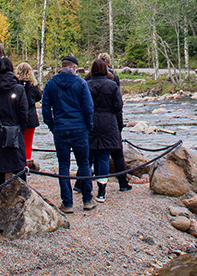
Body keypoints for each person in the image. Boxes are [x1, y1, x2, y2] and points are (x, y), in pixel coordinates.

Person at [41, 54, 96, 213]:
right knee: (84, 163)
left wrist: (53, 125)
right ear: (73, 68)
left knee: (64, 165)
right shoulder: (80, 83)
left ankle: (67, 202)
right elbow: (88, 108)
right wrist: (88, 125)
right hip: (79, 128)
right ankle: (87, 200)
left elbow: (45, 109)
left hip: (60, 128)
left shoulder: (51, 84)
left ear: (62, 66)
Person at [84, 52, 131, 192]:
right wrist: (120, 124)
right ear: (108, 64)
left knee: (90, 155)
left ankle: (81, 184)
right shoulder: (113, 81)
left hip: (92, 119)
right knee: (116, 153)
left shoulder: (87, 81)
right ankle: (121, 183)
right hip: (109, 120)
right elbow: (118, 105)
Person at [0, 58, 30, 189]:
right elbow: (23, 113)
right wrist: (20, 128)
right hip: (14, 129)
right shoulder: (18, 89)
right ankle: (22, 197)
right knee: (19, 167)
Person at [14, 62, 42, 164]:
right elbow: (39, 97)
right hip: (30, 117)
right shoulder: (33, 86)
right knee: (28, 143)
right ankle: (26, 164)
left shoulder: (15, 86)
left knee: (17, 142)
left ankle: (18, 163)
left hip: (17, 117)